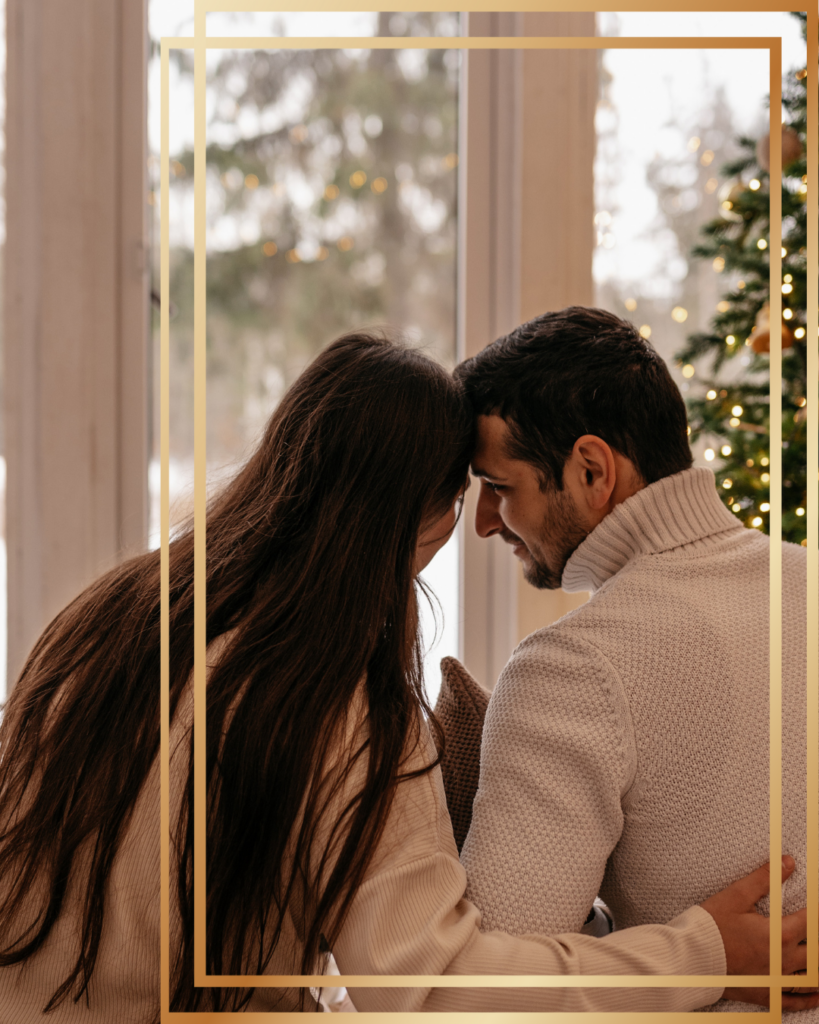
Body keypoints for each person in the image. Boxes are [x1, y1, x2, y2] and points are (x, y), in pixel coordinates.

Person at [0, 332, 807, 1022]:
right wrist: (700, 950)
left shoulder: (116, 612)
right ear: (402, 513)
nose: (484, 524)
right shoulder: (334, 700)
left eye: (495, 489)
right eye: (467, 494)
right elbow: (437, 993)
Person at [455, 306, 819, 1014]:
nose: (483, 523)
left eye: (499, 486)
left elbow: (485, 995)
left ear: (590, 468)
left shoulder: (571, 669)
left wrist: (680, 951)